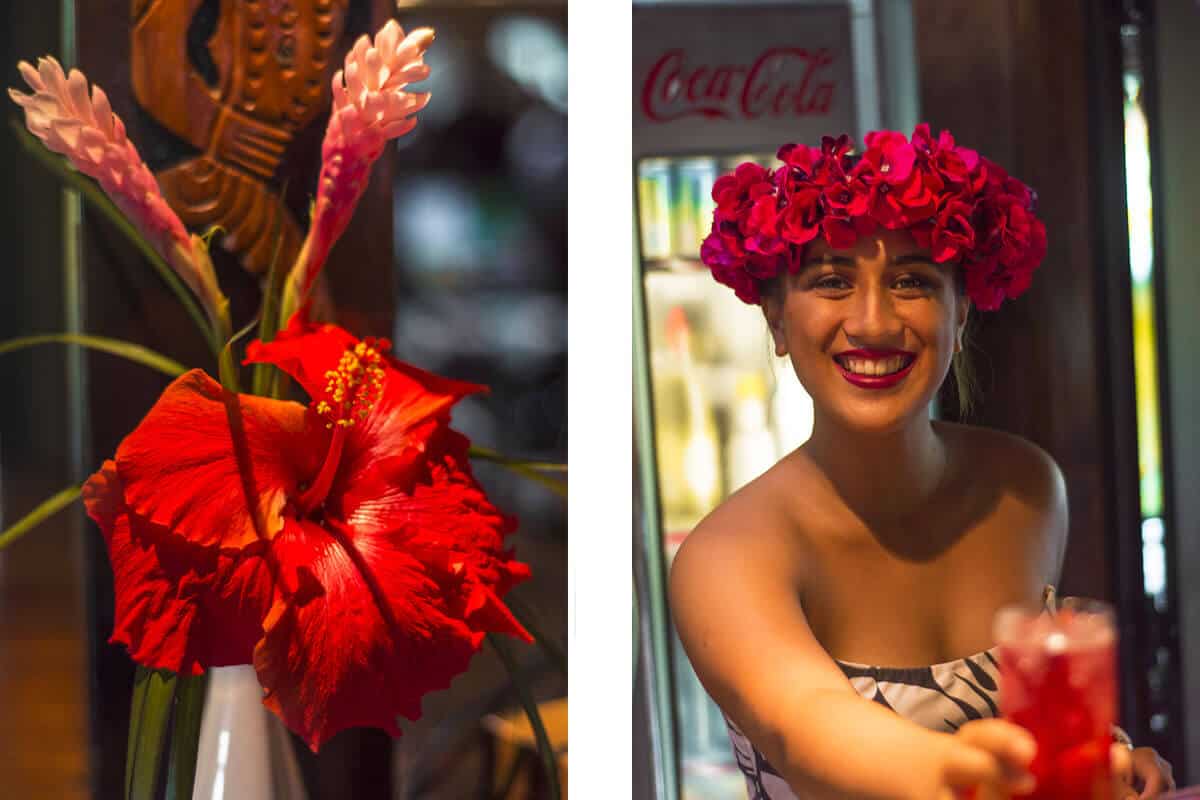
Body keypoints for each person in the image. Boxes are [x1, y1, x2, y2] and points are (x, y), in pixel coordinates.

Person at [670, 127, 1175, 799]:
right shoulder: (726, 556)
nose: (873, 322)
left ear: (960, 312)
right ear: (776, 321)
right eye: (831, 281)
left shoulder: (1025, 488)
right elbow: (809, 727)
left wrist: (1106, 761)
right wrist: (966, 775)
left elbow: (1036, 724)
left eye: (911, 281)